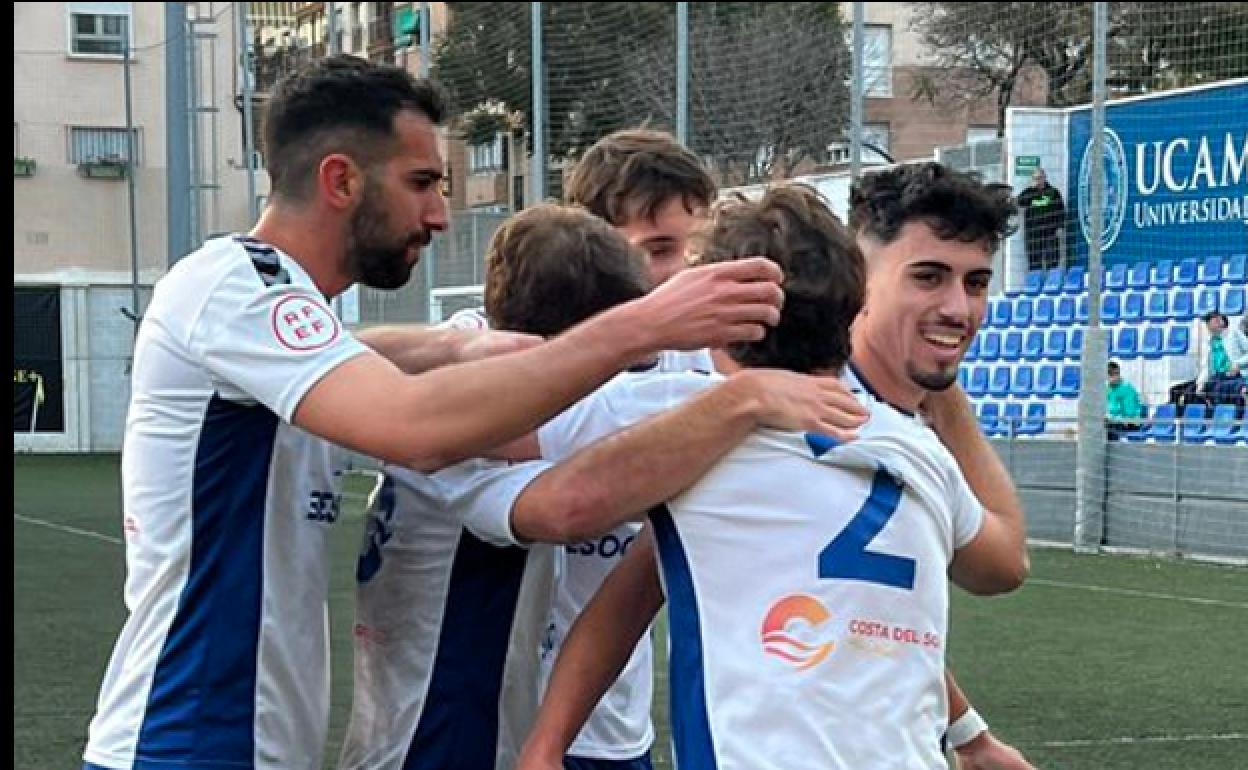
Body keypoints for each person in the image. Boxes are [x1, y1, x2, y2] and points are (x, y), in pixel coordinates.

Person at [80, 56, 793, 770]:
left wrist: (454, 349)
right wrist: (643, 328)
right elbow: (416, 428)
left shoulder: (289, 322)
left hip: (240, 748)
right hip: (184, 744)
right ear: (340, 181)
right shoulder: (235, 284)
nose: (440, 215)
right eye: (421, 182)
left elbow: (358, 355)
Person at [517, 177, 1030, 770]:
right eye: (928, 276)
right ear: (856, 300)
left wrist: (545, 743)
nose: (957, 307)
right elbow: (995, 566)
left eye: (975, 282)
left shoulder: (690, 430)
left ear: (721, 326)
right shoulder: (919, 451)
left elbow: (594, 562)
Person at [336, 204, 862, 770]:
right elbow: (566, 505)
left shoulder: (468, 371)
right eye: (614, 353)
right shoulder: (471, 442)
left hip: (495, 723)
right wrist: (745, 397)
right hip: (442, 730)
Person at [1170, 311, 1244, 411]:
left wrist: (1238, 364)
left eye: (1211, 321)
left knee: (1222, 388)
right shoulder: (1209, 342)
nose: (1208, 325)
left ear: (1221, 322)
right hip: (1214, 377)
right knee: (1178, 391)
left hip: (1232, 377)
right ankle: (1182, 423)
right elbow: (1205, 367)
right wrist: (1200, 383)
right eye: (1208, 322)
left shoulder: (1234, 334)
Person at [1016, 167, 1065, 271]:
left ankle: (1051, 283)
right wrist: (1030, 189)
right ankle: (1035, 284)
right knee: (1034, 261)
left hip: (1050, 232)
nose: (1038, 180)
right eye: (1035, 178)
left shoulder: (1053, 192)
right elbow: (1019, 202)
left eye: (1039, 178)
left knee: (1052, 260)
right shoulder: (1029, 192)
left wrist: (1060, 227)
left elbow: (1061, 210)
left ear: (1044, 178)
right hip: (1033, 233)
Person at [1106, 361, 1144, 440]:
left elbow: (1130, 413)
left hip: (1130, 422)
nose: (1110, 377)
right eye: (1109, 374)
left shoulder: (1127, 388)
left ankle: (1112, 451)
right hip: (1114, 420)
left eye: (1114, 374)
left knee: (1109, 426)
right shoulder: (1107, 388)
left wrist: (1112, 417)